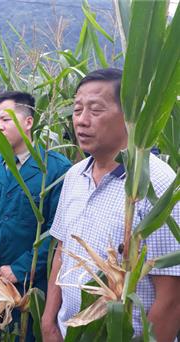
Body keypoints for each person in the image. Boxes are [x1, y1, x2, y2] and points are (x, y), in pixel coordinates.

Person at [41, 68, 180, 342]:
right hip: (69, 331)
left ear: (130, 115)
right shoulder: (74, 175)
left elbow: (171, 297)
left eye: (95, 109)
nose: (81, 121)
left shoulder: (159, 185)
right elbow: (62, 251)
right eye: (77, 109)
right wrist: (48, 322)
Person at [0, 91, 72, 341]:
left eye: (5, 119)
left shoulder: (56, 170)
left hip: (31, 286)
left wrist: (20, 269)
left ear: (28, 122)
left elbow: (58, 232)